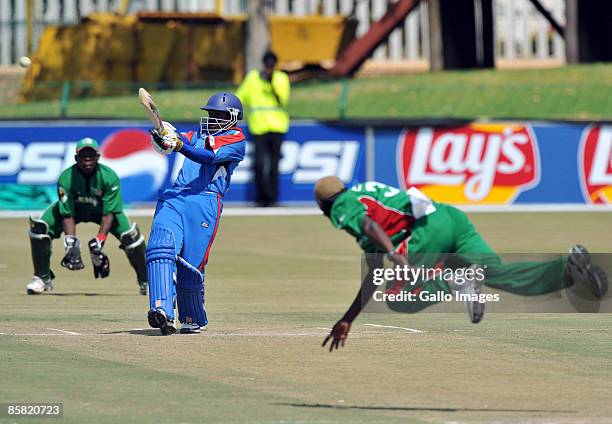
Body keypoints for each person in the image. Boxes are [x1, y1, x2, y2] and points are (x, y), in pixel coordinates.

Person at [313, 177, 609, 352]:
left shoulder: (342, 204)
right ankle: (568, 269)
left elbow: (367, 225)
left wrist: (394, 253)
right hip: (450, 218)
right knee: (499, 274)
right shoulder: (364, 191)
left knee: (399, 298)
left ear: (324, 208)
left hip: (422, 232)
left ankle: (455, 280)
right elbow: (375, 271)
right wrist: (349, 318)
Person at [146, 92, 246, 335]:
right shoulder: (199, 134)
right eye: (210, 114)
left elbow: (207, 157)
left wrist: (179, 146)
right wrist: (165, 136)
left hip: (205, 201)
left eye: (218, 115)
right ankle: (162, 309)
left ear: (232, 117)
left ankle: (191, 316)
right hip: (175, 197)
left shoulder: (237, 140)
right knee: (160, 248)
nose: (212, 118)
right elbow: (179, 140)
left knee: (190, 268)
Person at [26, 137, 148, 295]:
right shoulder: (66, 178)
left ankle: (146, 281)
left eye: (91, 155)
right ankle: (42, 278)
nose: (87, 160)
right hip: (75, 211)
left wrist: (99, 241)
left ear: (98, 157)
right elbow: (67, 213)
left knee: (131, 237)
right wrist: (71, 243)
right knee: (39, 228)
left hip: (102, 212)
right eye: (83, 156)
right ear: (76, 158)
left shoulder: (109, 177)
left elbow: (108, 213)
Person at [236, 50, 290, 207]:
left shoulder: (281, 78)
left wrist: (271, 82)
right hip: (258, 127)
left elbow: (283, 100)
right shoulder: (253, 78)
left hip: (277, 127)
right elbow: (240, 96)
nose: (269, 69)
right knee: (259, 163)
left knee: (274, 164)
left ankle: (272, 198)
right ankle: (261, 198)